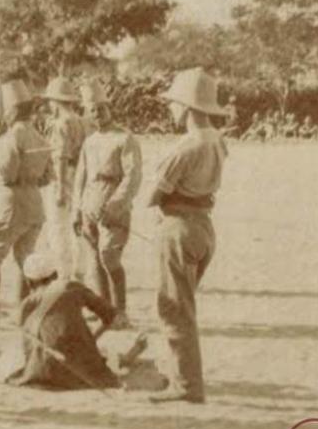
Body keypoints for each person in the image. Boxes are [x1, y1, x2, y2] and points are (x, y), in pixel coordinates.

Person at [147, 67, 227, 405]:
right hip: (204, 226)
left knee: (174, 308)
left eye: (174, 104)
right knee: (183, 305)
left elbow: (154, 194)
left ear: (186, 108)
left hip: (178, 226)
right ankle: (181, 376)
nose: (170, 109)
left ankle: (187, 385)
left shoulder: (186, 146)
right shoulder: (217, 140)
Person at [0, 80, 51, 329]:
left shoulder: (12, 136)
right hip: (35, 201)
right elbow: (46, 177)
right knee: (26, 259)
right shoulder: (40, 137)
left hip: (12, 200)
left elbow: (6, 175)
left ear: (12, 109)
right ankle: (23, 315)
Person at [72, 80, 142, 327]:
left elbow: (133, 177)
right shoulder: (89, 141)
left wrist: (115, 206)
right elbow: (80, 175)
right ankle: (105, 309)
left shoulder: (124, 138)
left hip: (113, 204)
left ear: (109, 108)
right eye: (92, 110)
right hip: (89, 203)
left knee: (109, 256)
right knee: (93, 258)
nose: (97, 114)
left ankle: (120, 312)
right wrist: (76, 211)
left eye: (101, 108)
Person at [2, 253, 120, 390]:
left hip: (38, 373)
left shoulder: (25, 305)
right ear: (56, 275)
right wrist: (90, 340)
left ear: (28, 282)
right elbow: (111, 315)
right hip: (79, 370)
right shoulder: (71, 287)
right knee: (108, 354)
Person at [43, 76, 87, 281]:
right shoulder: (83, 121)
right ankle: (79, 270)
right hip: (80, 175)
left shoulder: (61, 123)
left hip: (64, 176)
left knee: (58, 226)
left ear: (56, 102)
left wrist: (60, 187)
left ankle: (64, 273)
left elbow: (60, 157)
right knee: (77, 225)